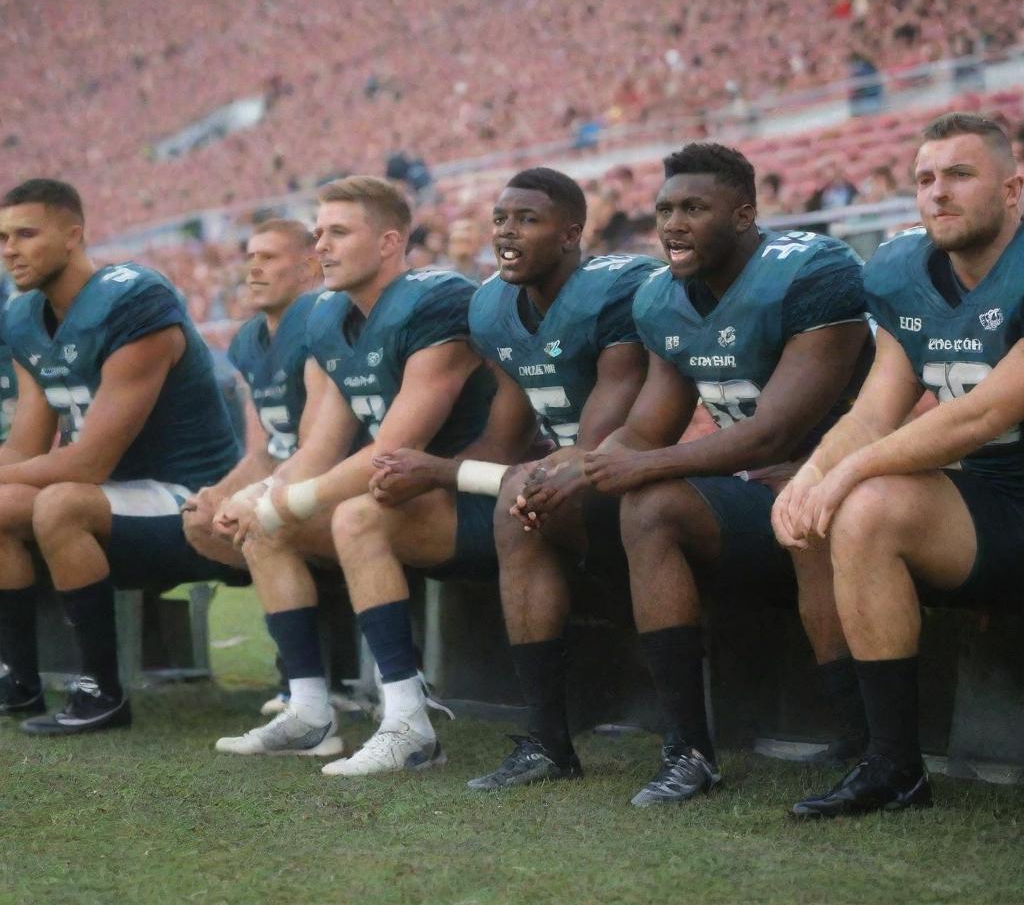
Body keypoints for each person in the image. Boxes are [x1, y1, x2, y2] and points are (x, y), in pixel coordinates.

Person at [329, 167, 659, 779]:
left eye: (527, 220)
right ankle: (431, 722)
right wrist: (434, 473)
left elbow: (592, 449)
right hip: (548, 487)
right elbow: (503, 441)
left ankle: (577, 736)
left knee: (524, 504)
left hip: (638, 479)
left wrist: (437, 470)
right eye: (500, 220)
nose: (507, 233)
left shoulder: (615, 292)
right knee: (368, 512)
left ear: (570, 234)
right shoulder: (495, 307)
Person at [576, 143, 872, 806]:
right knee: (647, 507)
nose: (672, 224)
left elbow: (774, 432)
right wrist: (583, 468)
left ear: (743, 214)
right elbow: (647, 429)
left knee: (808, 518)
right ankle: (688, 749)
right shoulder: (661, 296)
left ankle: (864, 737)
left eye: (693, 208)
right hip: (758, 485)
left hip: (844, 476)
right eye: (665, 209)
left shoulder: (811, 270)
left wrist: (638, 463)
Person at [773, 113, 1024, 817]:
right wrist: (813, 474)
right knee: (865, 510)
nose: (937, 193)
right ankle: (893, 766)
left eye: (960, 175)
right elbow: (872, 412)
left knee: (863, 487)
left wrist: (851, 471)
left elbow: (984, 413)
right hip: (997, 499)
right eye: (925, 178)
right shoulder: (902, 272)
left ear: (1013, 188)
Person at [212, 176, 495, 758]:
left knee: (356, 517)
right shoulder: (330, 318)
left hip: (478, 494)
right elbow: (321, 445)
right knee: (265, 528)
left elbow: (392, 449)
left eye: (338, 232)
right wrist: (264, 493)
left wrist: (285, 500)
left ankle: (408, 723)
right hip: (405, 495)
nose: (320, 247)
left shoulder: (436, 301)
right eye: (318, 233)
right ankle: (308, 711)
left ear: (390, 242)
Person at [0, 178, 243, 733]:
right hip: (113, 494)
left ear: (73, 236)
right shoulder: (23, 316)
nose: (10, 248)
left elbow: (88, 464)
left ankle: (102, 692)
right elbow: (24, 445)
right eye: (3, 236)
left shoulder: (134, 302)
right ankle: (18, 679)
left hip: (191, 494)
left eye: (26, 234)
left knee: (60, 504)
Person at [182, 218, 320, 571]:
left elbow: (323, 449)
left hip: (329, 478)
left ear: (308, 268)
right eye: (251, 256)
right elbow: (268, 448)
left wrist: (255, 495)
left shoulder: (324, 322)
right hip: (286, 476)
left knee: (260, 523)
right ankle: (304, 597)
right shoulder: (248, 340)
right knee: (200, 522)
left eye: (269, 257)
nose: (254, 268)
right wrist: (219, 492)